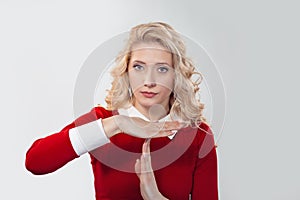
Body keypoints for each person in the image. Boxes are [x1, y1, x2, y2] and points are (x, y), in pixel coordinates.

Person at [25, 22, 218, 200]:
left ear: (176, 76)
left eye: (162, 69)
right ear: (126, 71)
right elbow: (35, 161)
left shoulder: (197, 136)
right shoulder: (104, 122)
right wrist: (117, 124)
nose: (148, 81)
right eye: (139, 67)